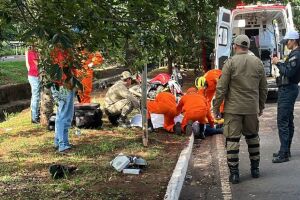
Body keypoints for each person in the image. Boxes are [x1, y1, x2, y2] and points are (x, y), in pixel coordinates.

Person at [213, 34, 268, 184]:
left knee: (232, 140)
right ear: (248, 47)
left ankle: (235, 174)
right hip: (251, 109)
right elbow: (264, 88)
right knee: (252, 138)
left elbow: (221, 88)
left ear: (235, 46)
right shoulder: (257, 63)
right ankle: (255, 169)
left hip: (233, 109)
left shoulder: (230, 63)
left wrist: (216, 108)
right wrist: (260, 106)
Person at [271, 30, 300, 163]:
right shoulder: (293, 54)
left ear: (293, 41)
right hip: (288, 89)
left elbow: (288, 72)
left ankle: (284, 154)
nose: (286, 43)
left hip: (288, 90)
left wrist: (277, 63)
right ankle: (285, 150)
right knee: (287, 120)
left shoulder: (296, 55)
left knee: (283, 121)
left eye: (287, 41)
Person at [50, 44, 75, 153]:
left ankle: (59, 141)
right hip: (63, 85)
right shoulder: (60, 52)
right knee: (64, 115)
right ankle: (62, 144)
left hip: (63, 85)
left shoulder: (55, 50)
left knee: (62, 114)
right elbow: (64, 68)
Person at [25, 44, 41, 123]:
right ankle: (34, 117)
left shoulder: (35, 52)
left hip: (35, 75)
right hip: (34, 76)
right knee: (36, 96)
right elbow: (37, 64)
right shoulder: (31, 52)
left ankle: (36, 115)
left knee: (37, 96)